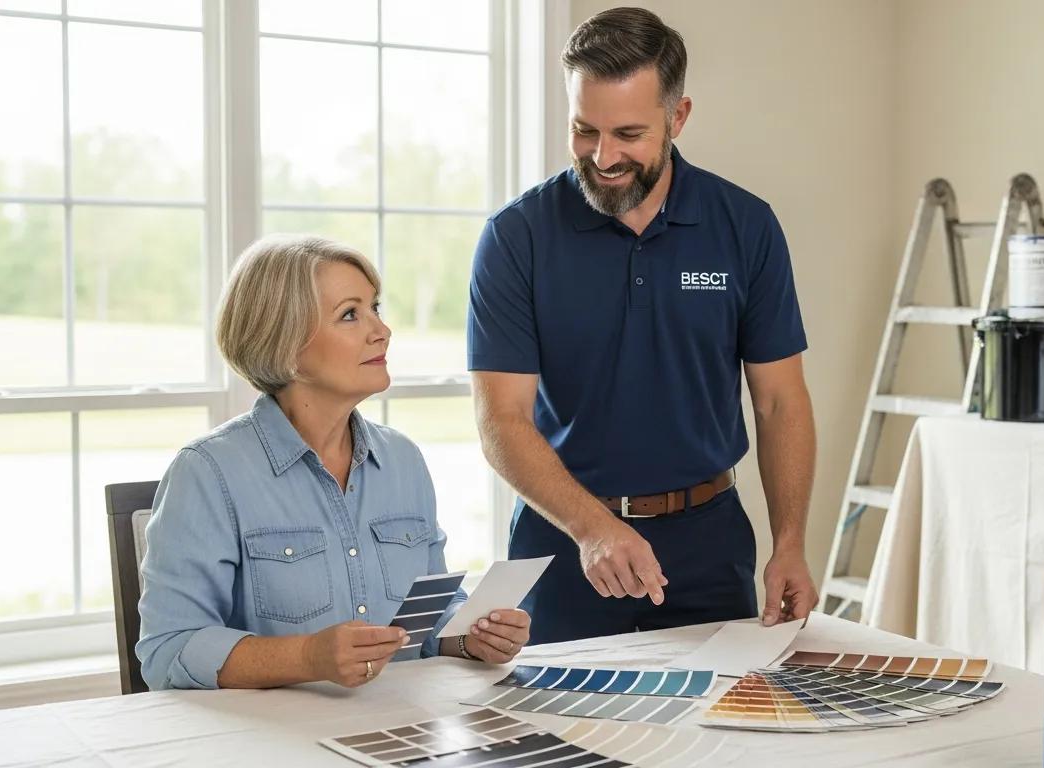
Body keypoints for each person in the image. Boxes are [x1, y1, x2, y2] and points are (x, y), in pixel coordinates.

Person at [468, 7, 818, 645]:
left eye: (628, 133)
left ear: (677, 117)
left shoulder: (746, 226)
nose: (602, 157)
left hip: (708, 543)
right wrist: (592, 528)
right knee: (560, 736)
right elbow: (502, 422)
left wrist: (790, 542)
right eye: (584, 131)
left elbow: (779, 401)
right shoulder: (516, 237)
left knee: (721, 735)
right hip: (564, 542)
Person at [136, 235, 530, 690]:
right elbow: (168, 652)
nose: (381, 331)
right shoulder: (206, 472)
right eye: (349, 314)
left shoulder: (403, 461)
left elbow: (423, 619)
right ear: (286, 345)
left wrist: (470, 638)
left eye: (375, 308)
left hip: (400, 732)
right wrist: (307, 657)